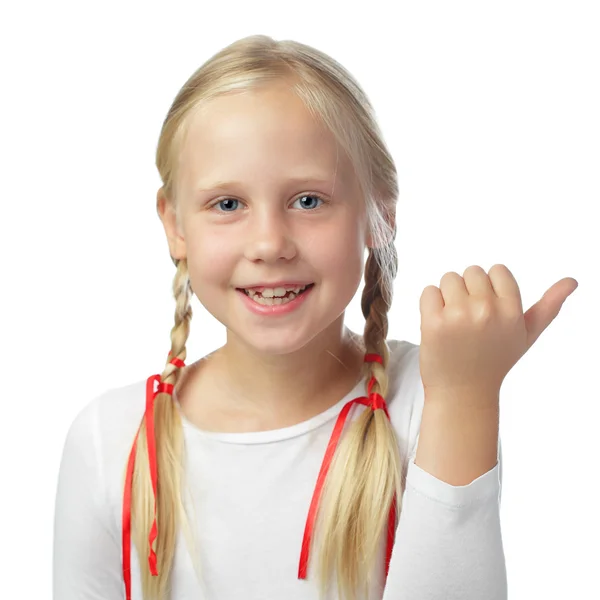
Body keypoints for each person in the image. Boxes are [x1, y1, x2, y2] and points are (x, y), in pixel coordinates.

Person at [53, 34, 506, 600]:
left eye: (309, 200)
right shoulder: (110, 441)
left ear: (378, 214)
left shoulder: (432, 399)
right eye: (228, 204)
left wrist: (466, 396)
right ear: (174, 225)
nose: (269, 243)